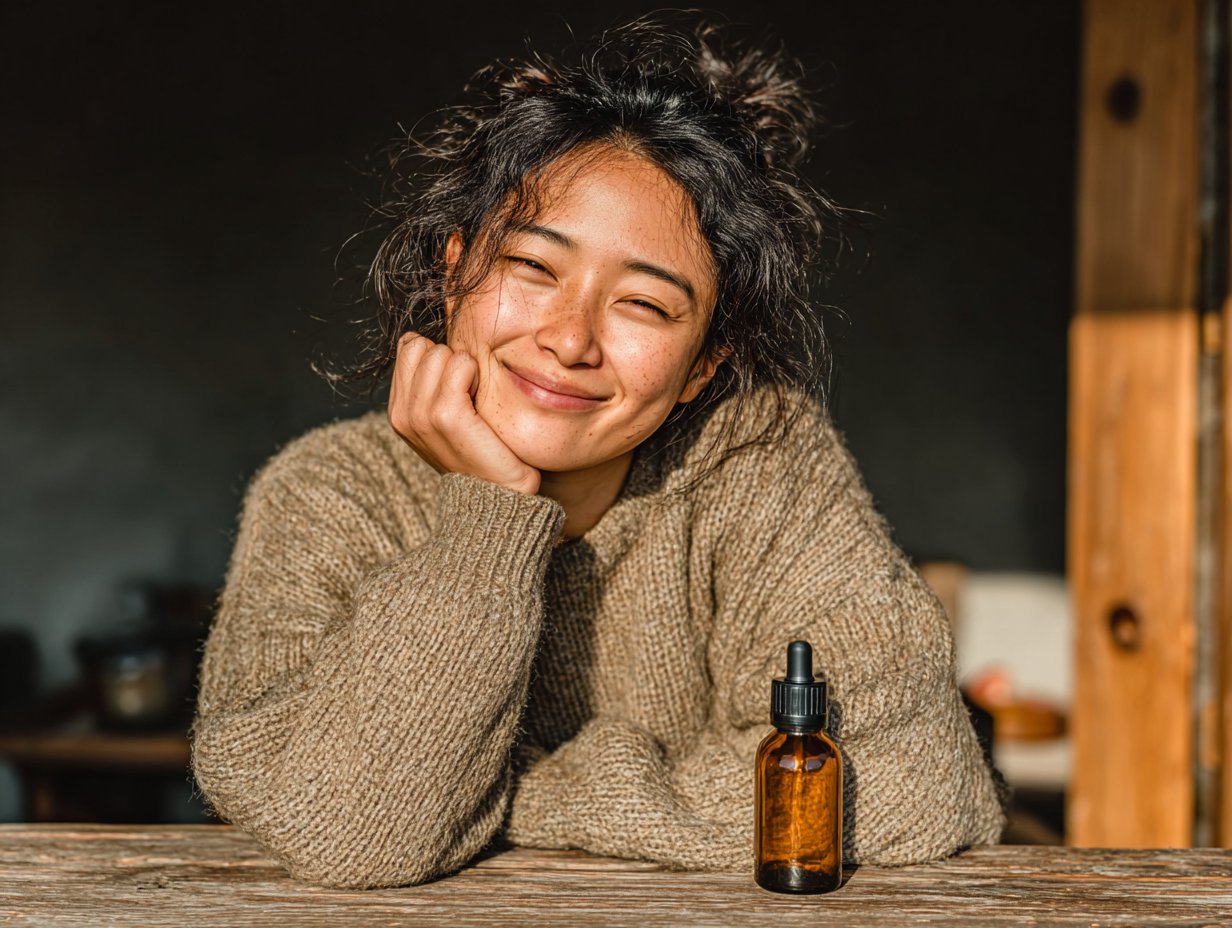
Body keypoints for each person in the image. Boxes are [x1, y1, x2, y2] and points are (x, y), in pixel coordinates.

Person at [191, 16, 1004, 890]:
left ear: (704, 367)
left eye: (645, 306)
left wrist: (504, 795)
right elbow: (356, 837)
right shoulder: (326, 494)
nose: (570, 340)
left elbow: (917, 785)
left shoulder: (760, 463)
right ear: (451, 269)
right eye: (534, 268)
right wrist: (488, 519)